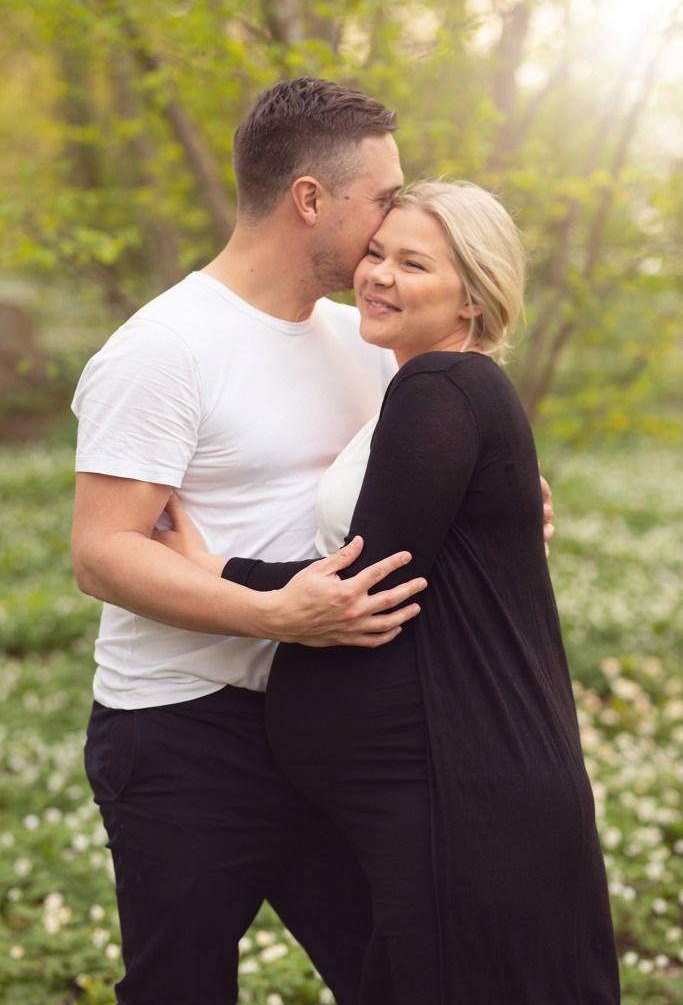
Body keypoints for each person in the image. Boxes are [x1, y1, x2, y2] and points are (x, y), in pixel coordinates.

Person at [158, 180, 619, 1003]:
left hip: (457, 794)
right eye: (375, 252)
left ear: (472, 297)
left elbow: (368, 581)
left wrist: (210, 566)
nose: (378, 275)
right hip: (441, 791)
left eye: (413, 264)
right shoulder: (428, 384)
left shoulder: (438, 385)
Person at [70, 77, 429, 1005]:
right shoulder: (164, 348)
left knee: (398, 976)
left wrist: (507, 506)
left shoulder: (364, 339)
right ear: (310, 198)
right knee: (180, 989)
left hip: (326, 722)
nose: (397, 220)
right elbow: (102, 553)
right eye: (383, 199)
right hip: (179, 731)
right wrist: (276, 614)